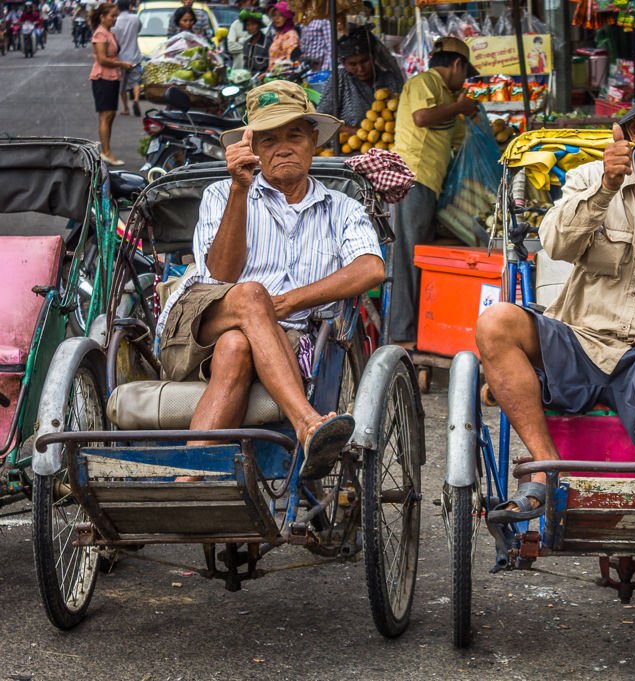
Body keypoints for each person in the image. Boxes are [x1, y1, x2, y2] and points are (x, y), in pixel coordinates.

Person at [476, 55, 635, 522]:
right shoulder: (588, 179)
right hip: (579, 340)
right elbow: (556, 242)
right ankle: (543, 469)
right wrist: (607, 187)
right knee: (496, 322)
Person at [155, 80, 385, 478]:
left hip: (286, 338)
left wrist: (293, 301)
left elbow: (371, 268)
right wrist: (239, 191)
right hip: (201, 324)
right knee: (249, 297)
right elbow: (220, 276)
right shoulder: (221, 195)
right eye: (268, 139)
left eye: (294, 135)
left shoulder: (342, 208)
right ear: (255, 150)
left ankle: (190, 473)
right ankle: (307, 423)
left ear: (313, 140)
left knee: (236, 345)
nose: (283, 147)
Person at [388, 36, 477, 348]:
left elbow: (459, 142)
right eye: (465, 72)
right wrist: (460, 106)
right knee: (408, 257)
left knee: (420, 256)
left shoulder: (448, 100)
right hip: (412, 178)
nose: (464, 80)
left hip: (429, 184)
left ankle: (416, 329)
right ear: (456, 65)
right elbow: (421, 118)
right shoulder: (425, 82)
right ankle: (401, 333)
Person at [316, 25, 405, 137]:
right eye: (353, 64)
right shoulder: (339, 80)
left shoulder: (389, 79)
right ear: (344, 63)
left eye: (365, 61)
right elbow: (322, 119)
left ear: (373, 57)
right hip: (349, 149)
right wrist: (359, 133)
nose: (360, 69)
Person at [89, 2, 131, 166]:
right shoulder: (100, 34)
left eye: (115, 16)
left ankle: (107, 150)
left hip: (112, 77)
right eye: (112, 16)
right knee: (105, 116)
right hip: (102, 78)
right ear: (102, 17)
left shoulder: (109, 32)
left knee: (111, 114)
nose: (114, 19)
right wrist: (122, 64)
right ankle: (105, 152)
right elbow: (102, 59)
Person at [112, 0, 142, 116]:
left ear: (118, 8)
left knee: (122, 86)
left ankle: (125, 108)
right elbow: (139, 30)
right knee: (136, 82)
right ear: (130, 6)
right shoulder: (135, 18)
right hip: (135, 56)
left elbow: (114, 38)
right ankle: (136, 99)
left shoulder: (116, 21)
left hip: (121, 59)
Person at [226, 0, 268, 70]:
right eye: (240, 4)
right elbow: (230, 47)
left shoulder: (264, 20)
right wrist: (248, 46)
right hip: (239, 70)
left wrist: (240, 41)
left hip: (259, 72)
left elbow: (264, 43)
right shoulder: (235, 24)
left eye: (244, 2)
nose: (242, 5)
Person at [267, 1, 298, 67]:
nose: (276, 18)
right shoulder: (279, 35)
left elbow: (290, 61)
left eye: (281, 15)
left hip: (283, 75)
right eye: (274, 15)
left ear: (287, 18)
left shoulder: (290, 35)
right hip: (273, 74)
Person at [240, 8, 271, 73]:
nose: (250, 27)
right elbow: (245, 65)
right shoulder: (246, 43)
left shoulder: (268, 43)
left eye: (253, 24)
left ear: (259, 25)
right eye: (248, 25)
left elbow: (271, 65)